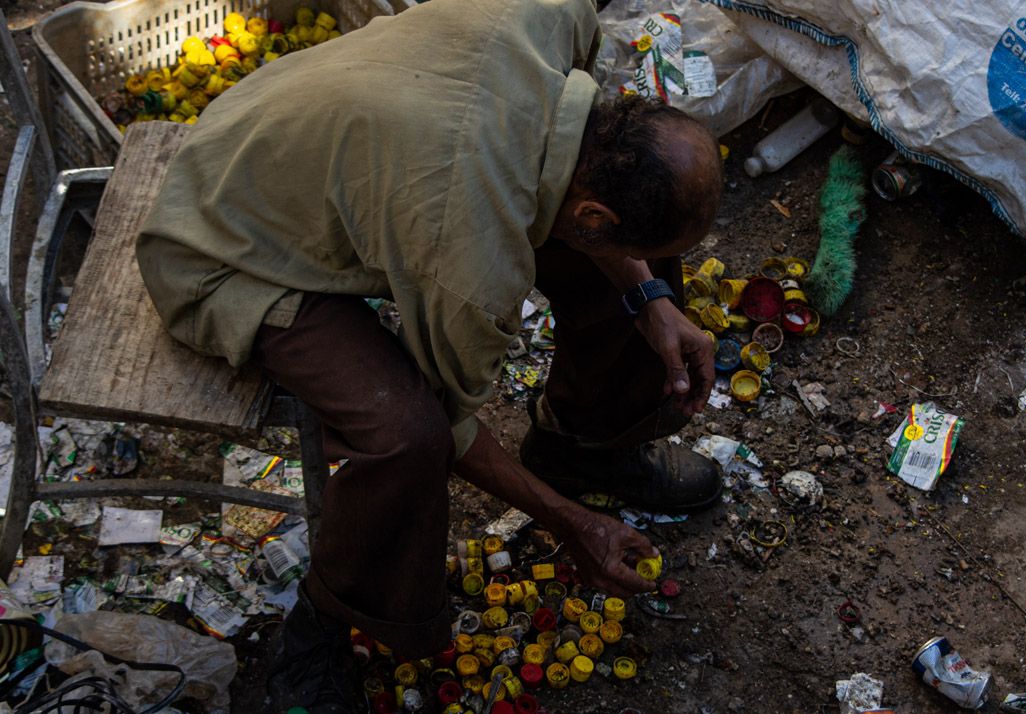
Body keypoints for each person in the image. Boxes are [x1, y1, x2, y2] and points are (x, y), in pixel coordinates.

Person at [135, 0, 724, 710]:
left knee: (650, 271)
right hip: (222, 245)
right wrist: (571, 522)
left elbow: (588, 210)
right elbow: (449, 427)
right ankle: (324, 625)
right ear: (592, 218)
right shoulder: (470, 258)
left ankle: (583, 448)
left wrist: (652, 302)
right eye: (610, 236)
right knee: (403, 435)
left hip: (293, 143)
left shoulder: (549, 16)